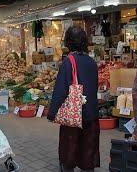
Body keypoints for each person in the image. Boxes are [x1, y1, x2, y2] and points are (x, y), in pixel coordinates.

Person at [47, 26, 100, 172]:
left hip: (73, 114)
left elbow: (60, 91)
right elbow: (94, 87)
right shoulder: (91, 62)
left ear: (68, 42)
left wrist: (52, 113)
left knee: (69, 151)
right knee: (88, 150)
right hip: (91, 114)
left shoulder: (68, 62)